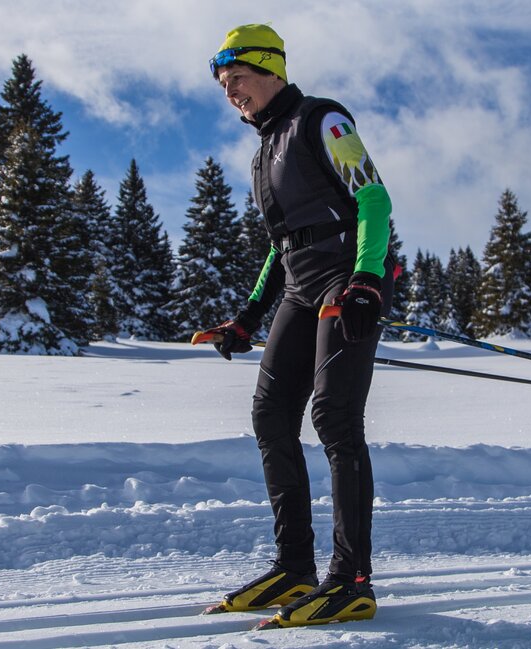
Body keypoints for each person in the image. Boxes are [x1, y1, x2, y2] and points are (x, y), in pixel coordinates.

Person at [195, 23, 395, 629]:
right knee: (270, 414)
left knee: (334, 417)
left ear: (271, 69)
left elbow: (373, 201)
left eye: (239, 79)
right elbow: (281, 246)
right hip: (302, 287)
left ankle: (351, 578)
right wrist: (247, 317)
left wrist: (365, 279)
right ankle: (294, 567)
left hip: (346, 281)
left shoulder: (321, 121)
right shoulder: (265, 148)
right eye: (224, 85)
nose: (232, 93)